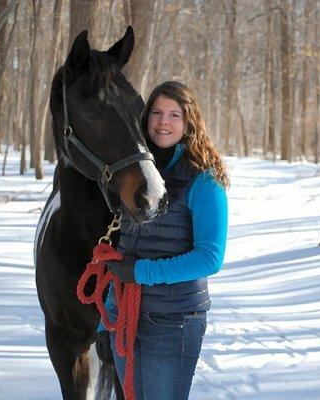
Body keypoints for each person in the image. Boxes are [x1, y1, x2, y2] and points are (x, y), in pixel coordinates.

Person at [97, 80, 229, 400]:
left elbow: (210, 257)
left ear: (189, 123)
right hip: (125, 316)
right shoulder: (135, 174)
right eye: (157, 113)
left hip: (173, 322)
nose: (163, 122)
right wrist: (105, 323)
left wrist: (142, 273)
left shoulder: (204, 178)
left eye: (174, 115)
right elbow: (123, 249)